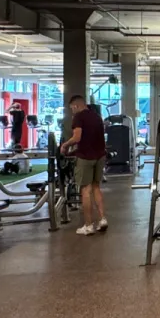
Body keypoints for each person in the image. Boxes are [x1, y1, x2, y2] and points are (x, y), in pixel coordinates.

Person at [61, 95, 108, 236]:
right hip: (100, 156)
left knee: (86, 190)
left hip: (86, 157)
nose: (72, 111)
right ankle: (102, 219)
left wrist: (65, 145)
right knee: (96, 187)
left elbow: (77, 137)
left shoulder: (78, 117)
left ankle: (88, 226)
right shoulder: (97, 117)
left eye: (71, 108)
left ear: (76, 106)